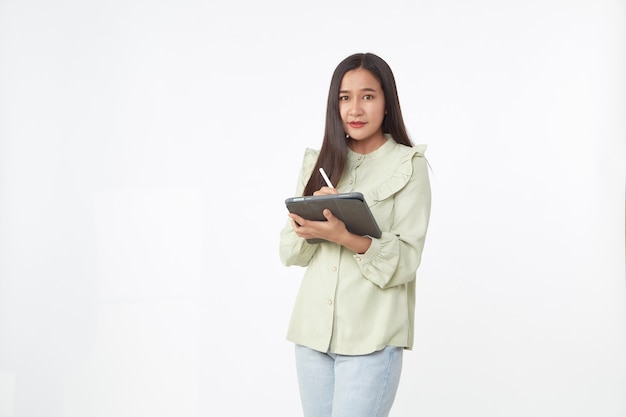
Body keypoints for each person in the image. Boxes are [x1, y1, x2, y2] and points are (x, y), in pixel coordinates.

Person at [279, 52, 431, 417]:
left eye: (368, 96)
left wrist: (344, 234)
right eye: (345, 97)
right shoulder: (320, 164)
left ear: (386, 102)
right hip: (312, 336)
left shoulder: (409, 166)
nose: (355, 109)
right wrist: (309, 226)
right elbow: (288, 251)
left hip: (372, 339)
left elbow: (407, 260)